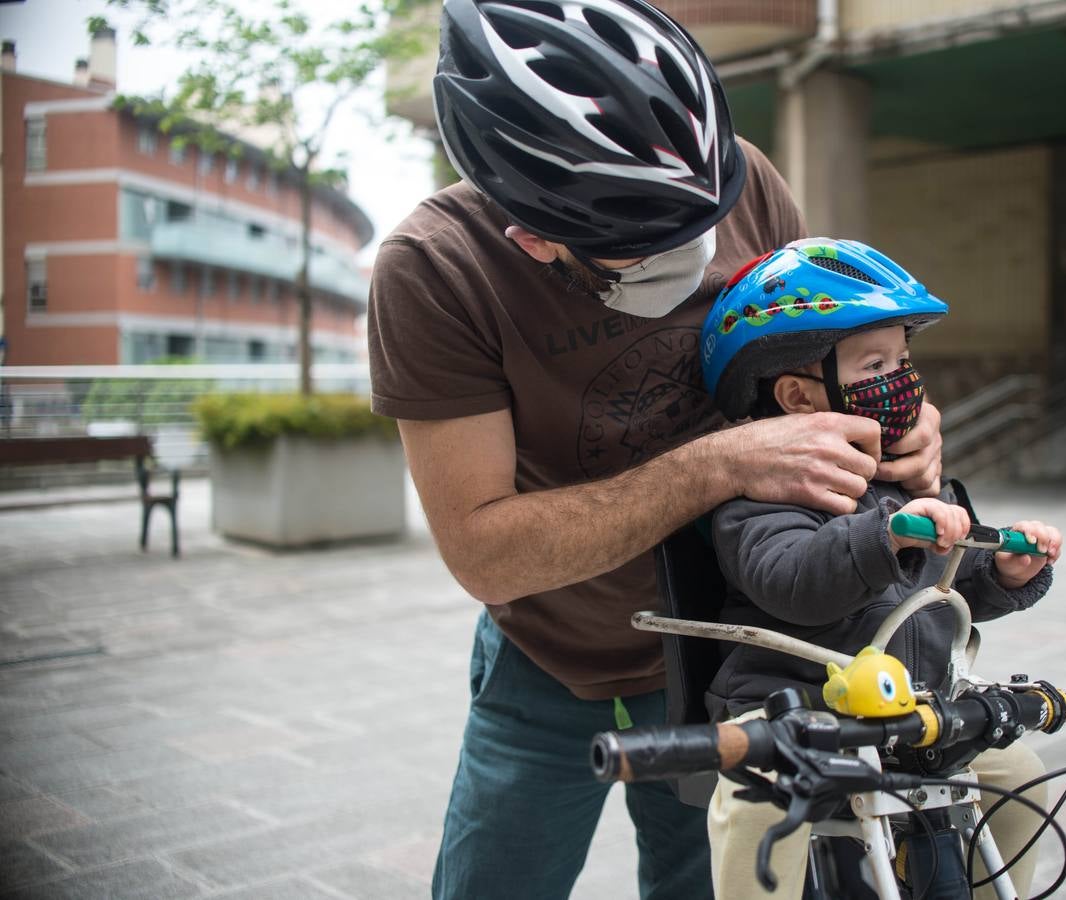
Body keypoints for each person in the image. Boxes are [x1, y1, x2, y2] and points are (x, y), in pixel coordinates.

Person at [367, 3, 942, 898]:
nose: (698, 255)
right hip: (553, 659)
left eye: (700, 221)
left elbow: (819, 362)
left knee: (711, 884)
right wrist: (720, 464)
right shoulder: (438, 268)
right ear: (538, 238)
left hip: (740, 647)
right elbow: (485, 552)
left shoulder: (744, 178)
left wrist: (901, 419)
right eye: (646, 251)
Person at [698, 238, 1063, 900]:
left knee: (1019, 776)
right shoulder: (762, 496)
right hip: (792, 710)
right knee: (753, 804)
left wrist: (1004, 574)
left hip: (911, 713)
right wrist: (885, 536)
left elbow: (940, 592)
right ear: (798, 396)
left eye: (903, 358)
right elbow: (794, 582)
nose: (903, 379)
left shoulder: (905, 479)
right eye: (875, 363)